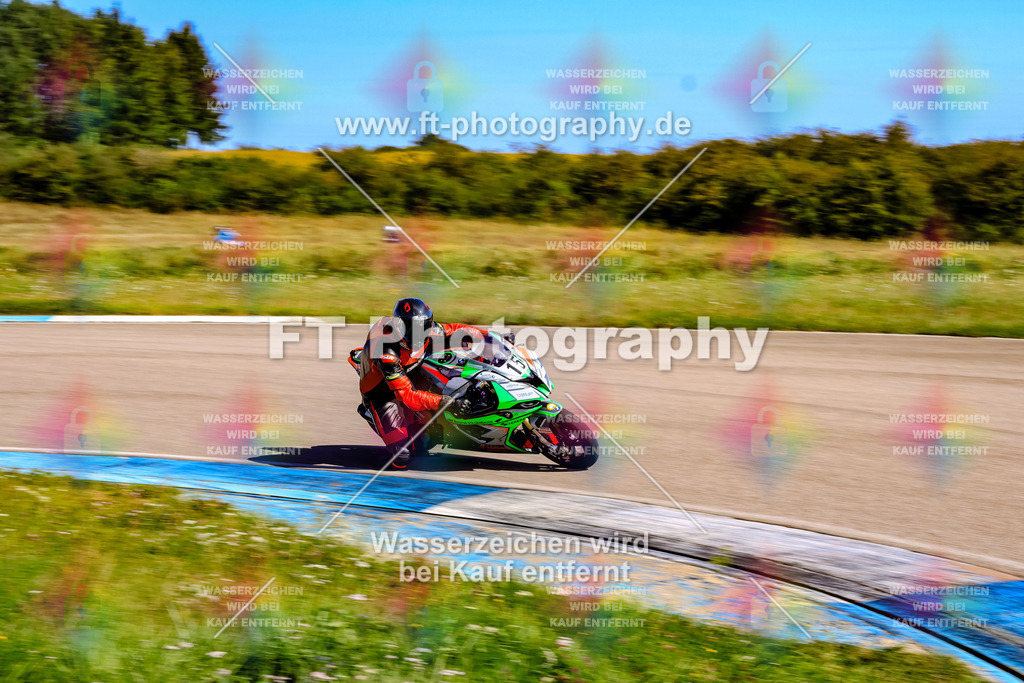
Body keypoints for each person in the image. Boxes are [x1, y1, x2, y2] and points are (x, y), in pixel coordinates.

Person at [356, 298, 488, 469]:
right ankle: (373, 413)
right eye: (411, 329)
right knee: (403, 456)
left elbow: (458, 330)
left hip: (412, 372)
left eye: (423, 329)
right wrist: (447, 402)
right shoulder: (385, 350)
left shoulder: (428, 329)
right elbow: (406, 396)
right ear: (399, 326)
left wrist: (491, 337)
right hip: (383, 393)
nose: (418, 335)